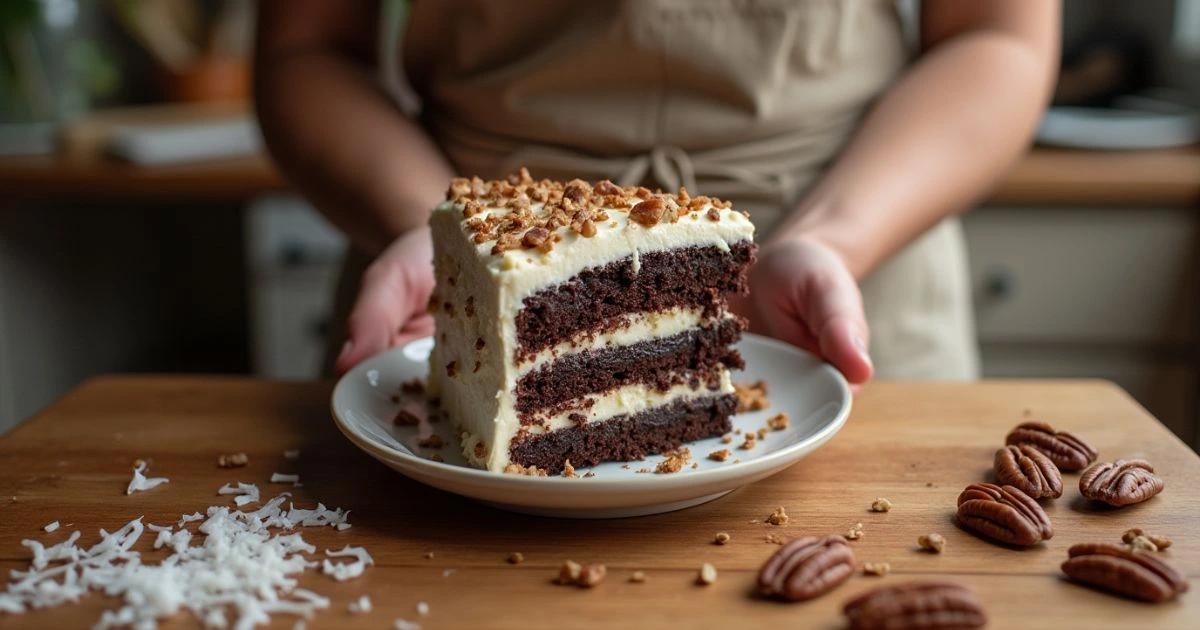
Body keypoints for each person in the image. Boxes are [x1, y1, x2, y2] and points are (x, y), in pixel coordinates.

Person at [255, 1, 1058, 384]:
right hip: (459, 298)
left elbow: (1000, 35)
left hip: (842, 286)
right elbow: (309, 46)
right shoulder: (453, 253)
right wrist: (448, 239)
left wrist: (835, 238)